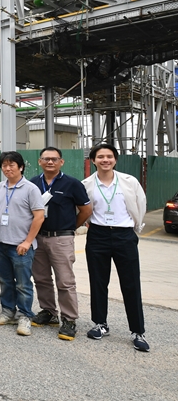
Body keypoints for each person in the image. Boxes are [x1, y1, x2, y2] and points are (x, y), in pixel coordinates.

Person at [81, 143, 149, 352]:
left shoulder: (129, 181)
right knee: (98, 282)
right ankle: (100, 324)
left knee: (131, 284)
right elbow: (83, 208)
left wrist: (134, 227)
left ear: (115, 160)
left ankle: (137, 331)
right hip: (98, 235)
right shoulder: (86, 184)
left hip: (124, 236)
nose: (105, 160)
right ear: (94, 160)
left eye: (109, 156)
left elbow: (141, 204)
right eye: (100, 157)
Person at [29, 147, 92, 341]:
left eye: (54, 159)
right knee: (41, 278)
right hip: (38, 237)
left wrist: (71, 227)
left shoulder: (72, 183)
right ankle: (48, 311)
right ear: (39, 161)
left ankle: (69, 319)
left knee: (65, 281)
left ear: (61, 162)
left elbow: (86, 210)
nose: (50, 162)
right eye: (46, 159)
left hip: (61, 238)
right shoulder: (33, 183)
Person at [0, 151, 45, 337]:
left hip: (20, 245)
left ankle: (25, 315)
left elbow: (39, 217)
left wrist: (28, 241)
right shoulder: (0, 187)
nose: (7, 168)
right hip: (0, 243)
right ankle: (7, 312)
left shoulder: (31, 189)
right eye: (4, 165)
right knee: (5, 281)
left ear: (21, 167)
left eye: (11, 165)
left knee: (23, 283)